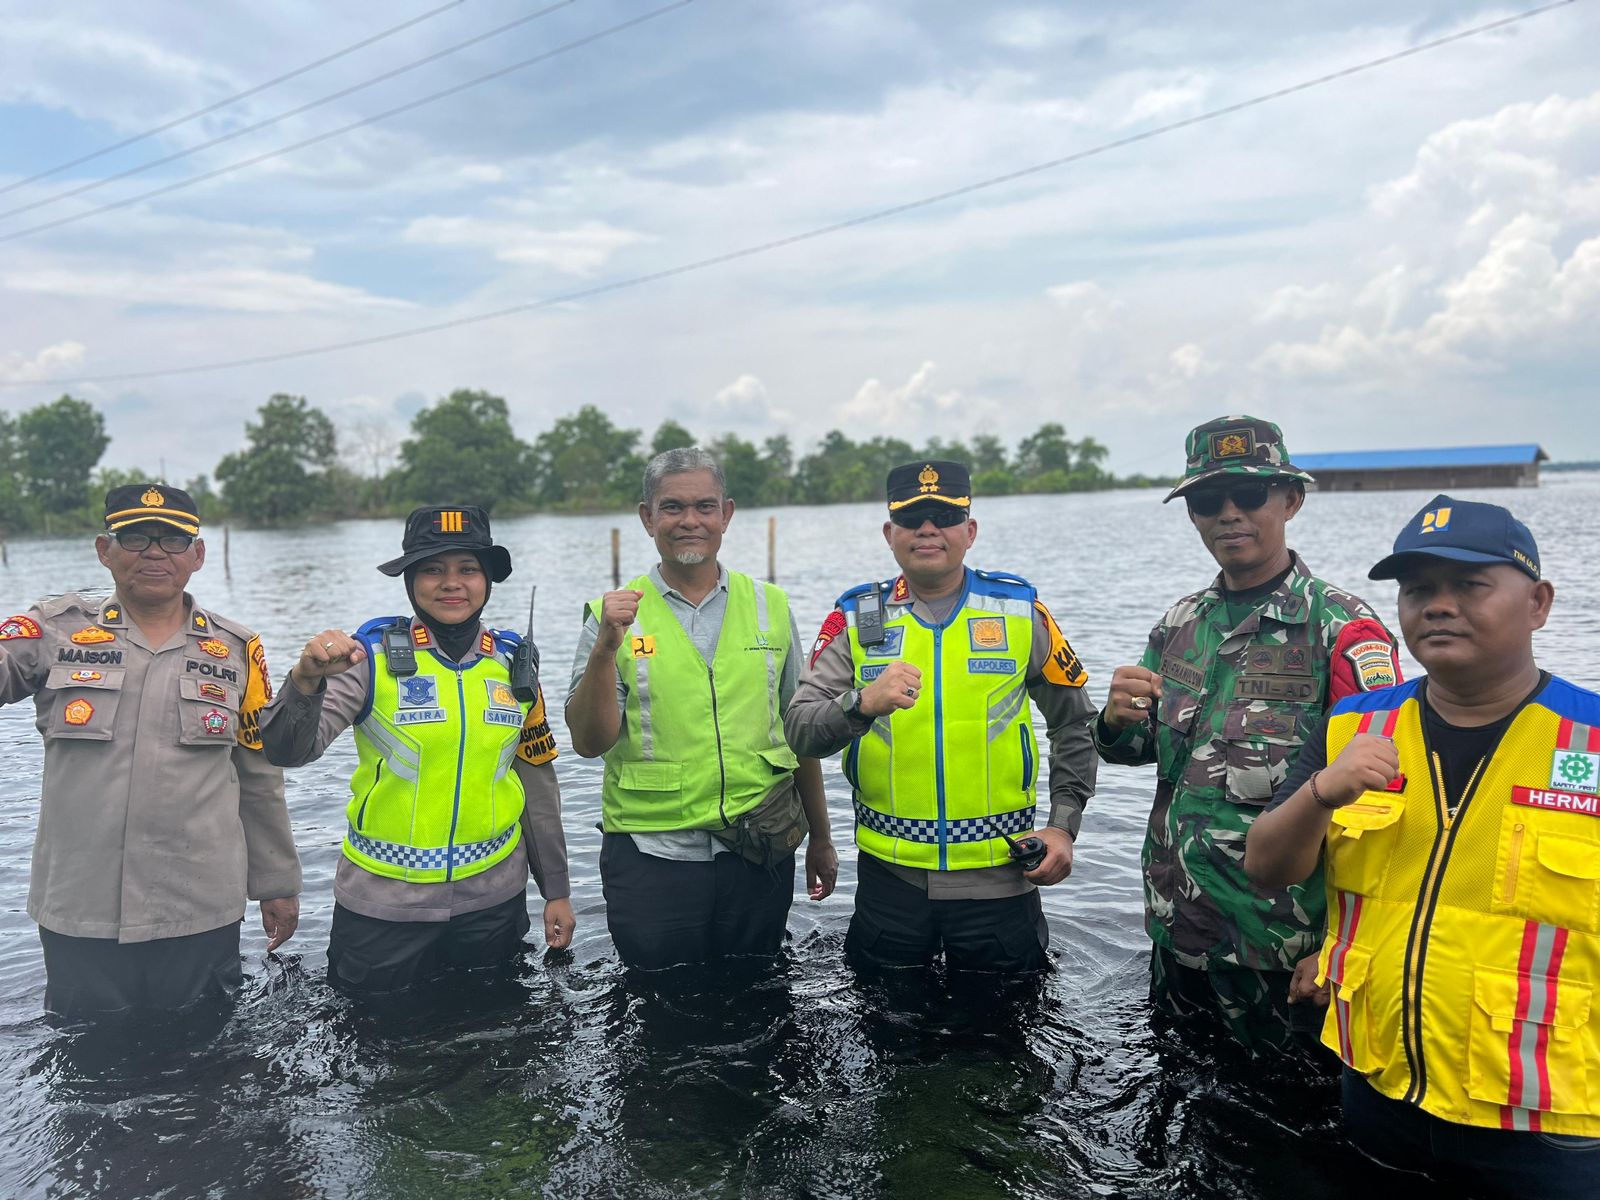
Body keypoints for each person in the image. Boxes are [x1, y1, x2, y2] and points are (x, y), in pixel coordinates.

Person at [1245, 496, 1599, 1199]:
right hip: (1378, 1088)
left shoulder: (1589, 742)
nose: (1438, 606)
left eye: (1469, 585)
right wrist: (1320, 793)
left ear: (1538, 603)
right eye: (1417, 590)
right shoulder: (1353, 727)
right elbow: (1264, 867)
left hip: (1548, 1119)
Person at [1093, 416, 1402, 1051]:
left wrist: (1348, 947)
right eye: (1209, 501)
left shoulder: (1342, 632)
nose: (1229, 514)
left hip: (1280, 951)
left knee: (1280, 1129)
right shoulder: (1180, 624)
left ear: (1291, 500)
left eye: (1250, 495)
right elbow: (1143, 750)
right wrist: (1113, 721)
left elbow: (1383, 806)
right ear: (1193, 515)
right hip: (1176, 927)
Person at [785, 459, 1097, 974]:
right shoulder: (858, 616)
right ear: (890, 533)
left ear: (969, 531)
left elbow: (1075, 723)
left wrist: (1064, 826)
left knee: (1005, 1037)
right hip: (891, 881)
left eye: (944, 515)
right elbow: (799, 727)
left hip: (1001, 876)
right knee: (889, 1035)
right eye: (912, 518)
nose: (928, 528)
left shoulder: (1020, 611)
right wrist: (860, 703)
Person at [0, 485, 300, 1018]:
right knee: (86, 1068)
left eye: (173, 539)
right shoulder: (53, 628)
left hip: (200, 906)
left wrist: (275, 885)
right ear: (104, 549)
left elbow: (257, 775)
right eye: (136, 537)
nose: (155, 552)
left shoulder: (236, 650)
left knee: (206, 1065)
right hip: (80, 906)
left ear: (198, 554)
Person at [259, 505, 573, 994]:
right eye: (433, 569)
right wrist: (304, 681)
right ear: (409, 581)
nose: (452, 583)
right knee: (378, 1049)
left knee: (496, 1048)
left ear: (487, 580)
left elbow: (536, 781)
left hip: (494, 905)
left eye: (468, 569)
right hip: (382, 910)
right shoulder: (368, 658)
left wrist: (556, 890)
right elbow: (287, 752)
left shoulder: (515, 662)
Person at [566, 447, 836, 972]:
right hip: (652, 858)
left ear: (726, 515)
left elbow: (799, 732)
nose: (689, 521)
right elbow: (587, 742)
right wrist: (604, 650)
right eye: (672, 507)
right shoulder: (611, 617)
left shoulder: (771, 606)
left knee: (755, 997)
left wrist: (822, 839)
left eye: (704, 507)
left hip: (759, 850)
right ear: (647, 518)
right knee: (658, 1007)